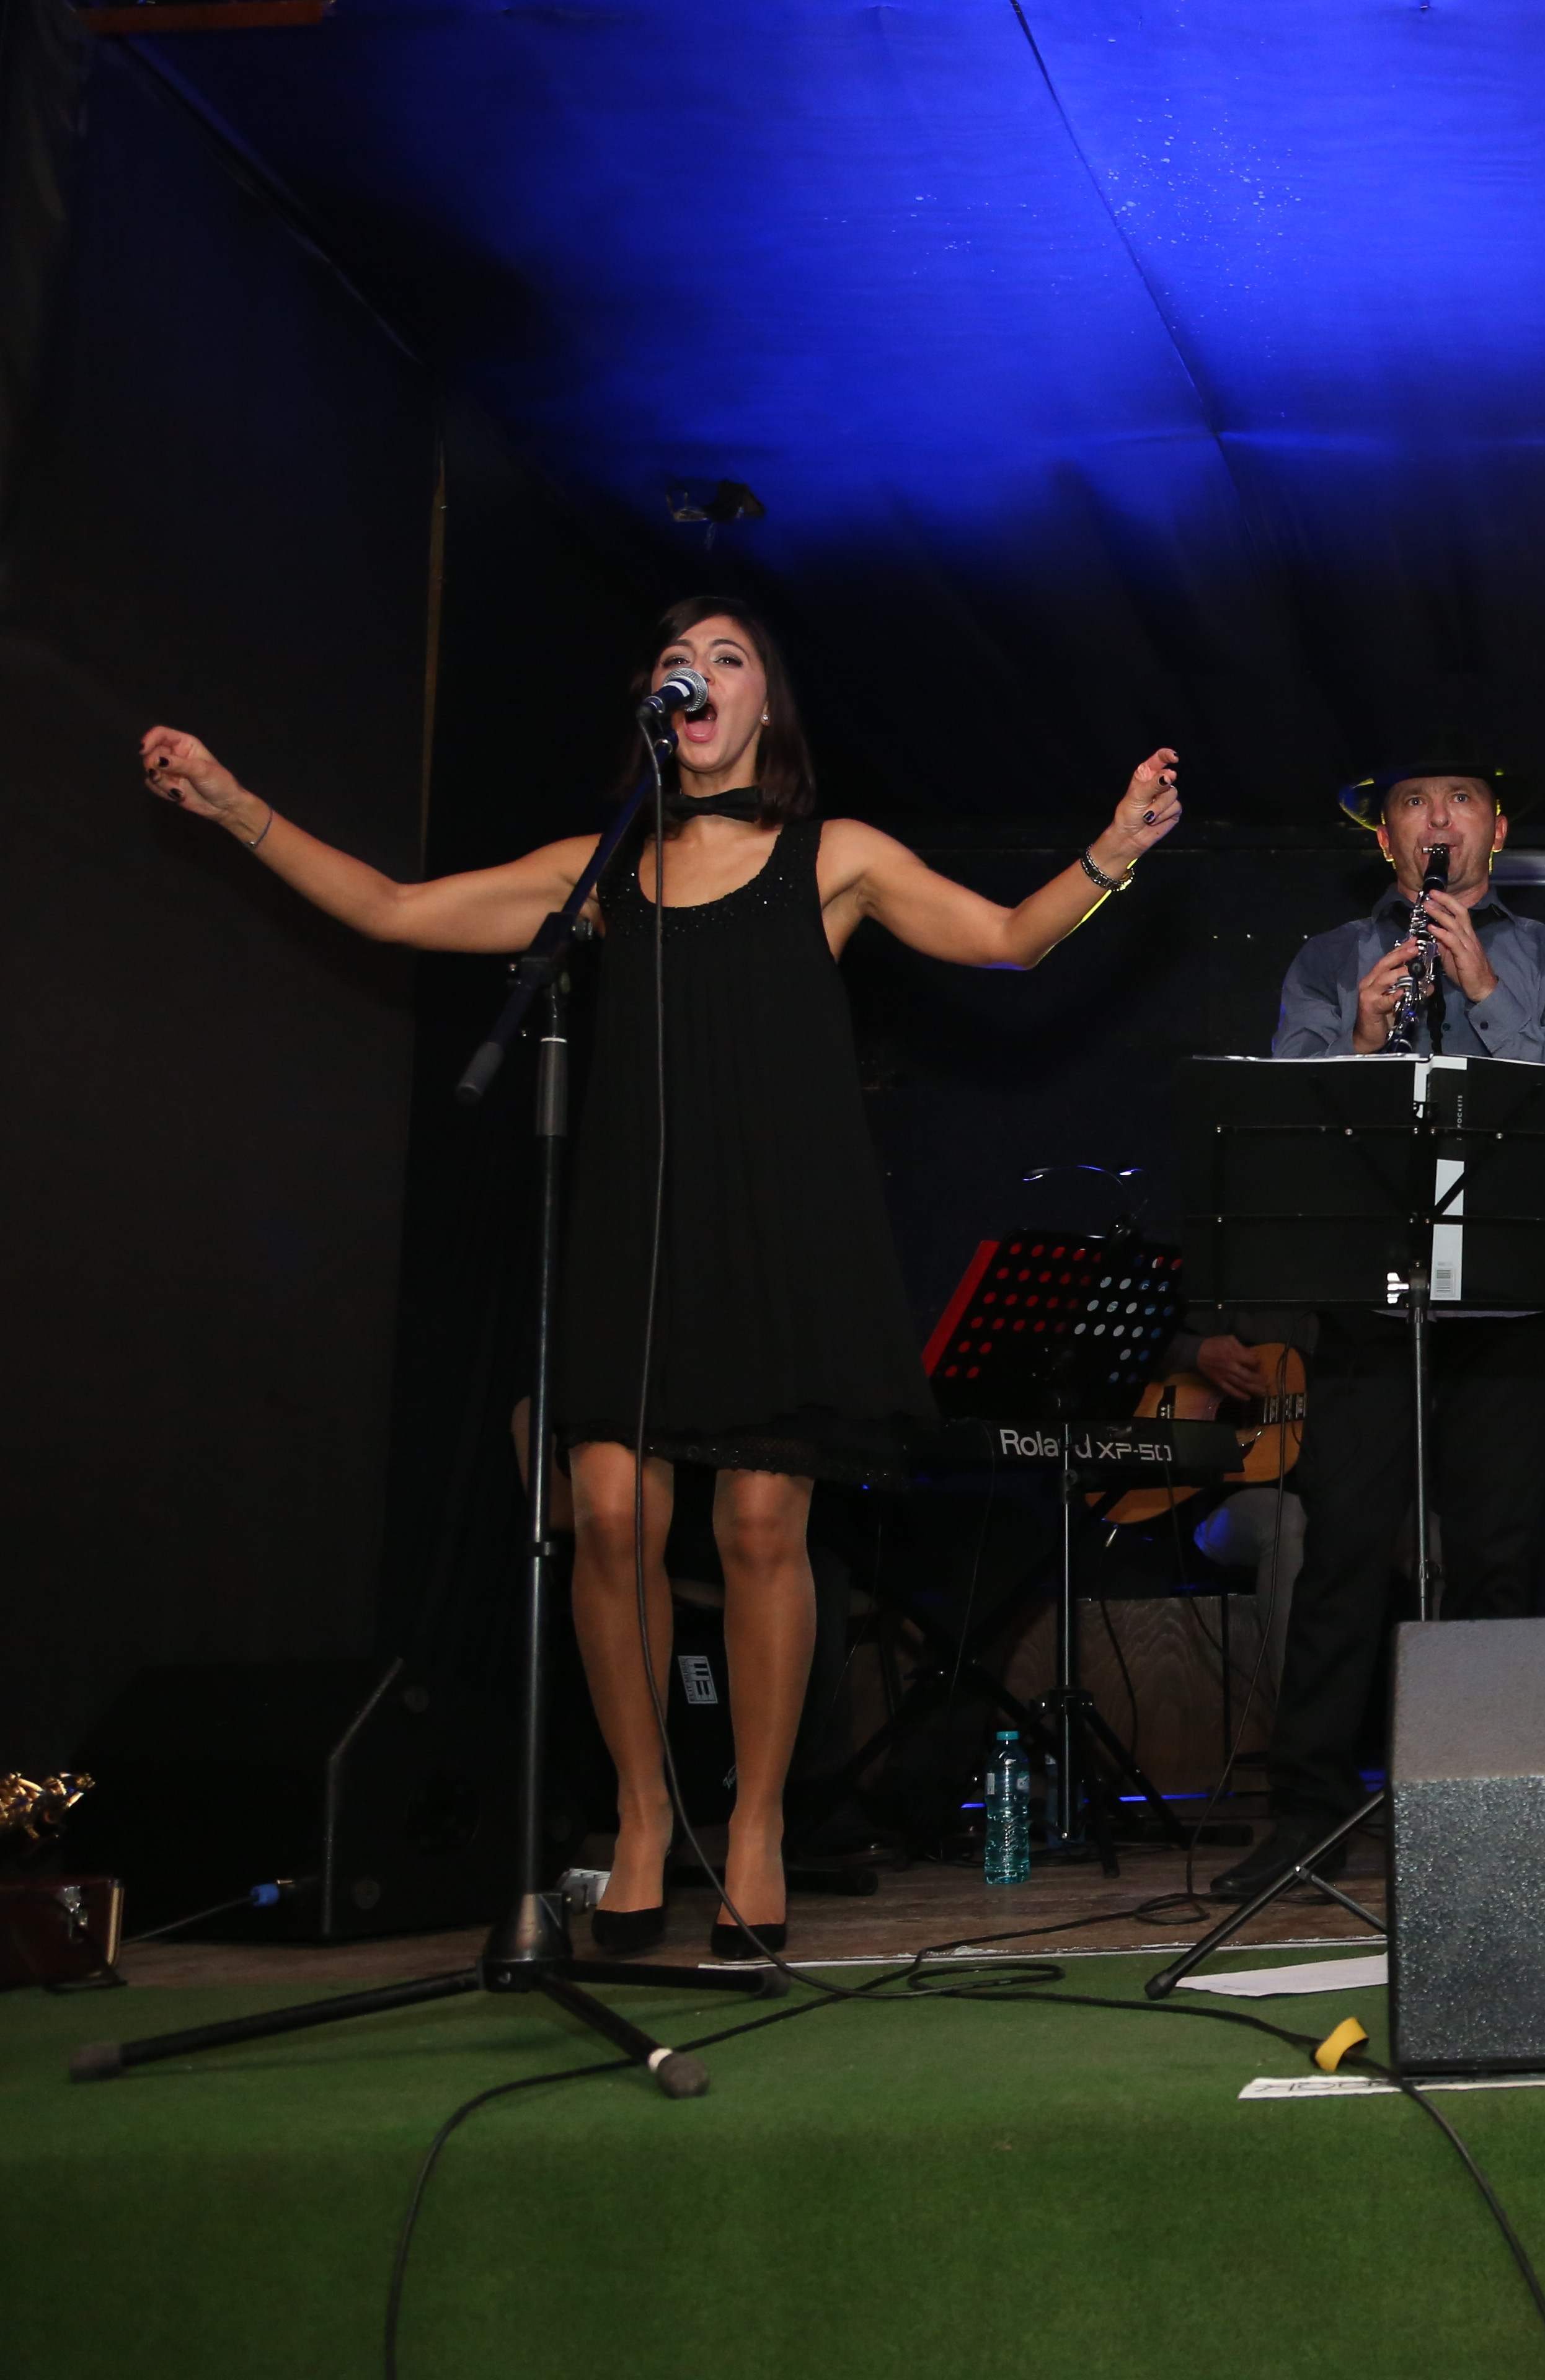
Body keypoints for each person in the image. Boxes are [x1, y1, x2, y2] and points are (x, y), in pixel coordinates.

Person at [141, 596, 1181, 1955]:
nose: (698, 675)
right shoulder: (602, 872)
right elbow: (395, 911)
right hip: (636, 1225)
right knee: (611, 1510)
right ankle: (642, 1813)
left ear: (765, 708)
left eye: (727, 658)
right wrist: (238, 809)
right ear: (658, 707)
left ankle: (755, 1826)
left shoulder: (834, 857)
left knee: (759, 1527)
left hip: (780, 1228)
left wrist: (1110, 854)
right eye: (678, 662)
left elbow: (1004, 938)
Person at [1213, 765, 1545, 1903]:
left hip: (1507, 1303)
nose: (1439, 818)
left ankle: (1488, 1808)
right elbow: (1285, 1127)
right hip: (1371, 1302)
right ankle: (1308, 1814)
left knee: (1497, 1561)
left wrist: (1484, 991)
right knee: (1339, 1557)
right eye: (1414, 803)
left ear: (1497, 828)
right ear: (1386, 839)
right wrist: (1357, 1040)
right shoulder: (1329, 957)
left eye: (1461, 799)